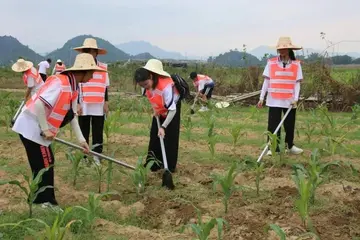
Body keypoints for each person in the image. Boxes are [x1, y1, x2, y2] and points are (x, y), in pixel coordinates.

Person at [12, 53, 106, 209]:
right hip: (32, 127)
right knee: (45, 164)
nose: (92, 76)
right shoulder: (61, 83)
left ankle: (41, 200)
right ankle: (44, 202)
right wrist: (45, 129)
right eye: (92, 72)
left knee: (45, 163)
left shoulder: (73, 86)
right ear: (83, 71)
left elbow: (72, 116)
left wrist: (82, 141)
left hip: (38, 129)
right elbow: (39, 105)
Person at [257, 36, 304, 156]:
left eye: (285, 48)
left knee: (289, 124)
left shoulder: (296, 64)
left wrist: (296, 99)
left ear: (289, 49)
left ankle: (290, 146)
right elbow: (266, 82)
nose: (282, 51)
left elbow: (297, 83)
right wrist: (262, 98)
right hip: (274, 100)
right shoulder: (271, 63)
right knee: (273, 125)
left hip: (289, 100)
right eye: (280, 49)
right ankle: (274, 148)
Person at [134, 59, 181, 173]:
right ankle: (153, 164)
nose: (145, 87)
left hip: (172, 109)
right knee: (155, 136)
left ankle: (169, 167)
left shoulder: (166, 87)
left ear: (152, 76)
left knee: (170, 137)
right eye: (142, 85)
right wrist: (156, 110)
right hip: (159, 109)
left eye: (146, 84)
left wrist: (163, 127)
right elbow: (152, 96)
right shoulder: (145, 84)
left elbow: (172, 110)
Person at [73, 38, 110, 166]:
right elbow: (75, 86)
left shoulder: (103, 67)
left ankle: (97, 156)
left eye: (91, 51)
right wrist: (77, 103)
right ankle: (84, 156)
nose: (89, 53)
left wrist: (106, 102)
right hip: (83, 103)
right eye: (86, 51)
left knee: (97, 131)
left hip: (98, 104)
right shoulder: (79, 67)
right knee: (83, 130)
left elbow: (105, 86)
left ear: (96, 53)